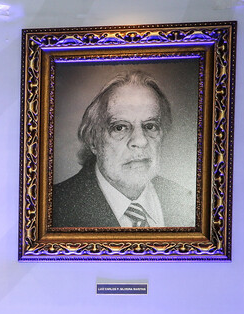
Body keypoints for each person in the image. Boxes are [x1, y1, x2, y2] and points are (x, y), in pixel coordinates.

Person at [52, 70, 194, 228]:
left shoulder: (188, 200)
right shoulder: (54, 207)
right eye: (120, 127)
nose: (140, 141)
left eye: (150, 126)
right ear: (93, 141)